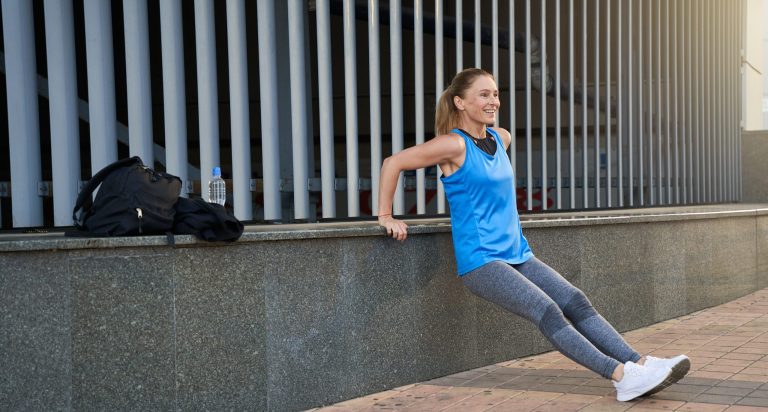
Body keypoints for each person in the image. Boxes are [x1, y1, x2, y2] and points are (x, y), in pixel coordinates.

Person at [376, 68, 690, 402]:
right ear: (460, 102)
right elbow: (393, 163)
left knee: (576, 301)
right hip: (483, 261)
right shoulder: (452, 145)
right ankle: (622, 376)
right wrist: (386, 216)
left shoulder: (501, 138)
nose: (493, 101)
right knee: (548, 311)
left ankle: (640, 363)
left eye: (495, 94)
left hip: (517, 252)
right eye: (483, 95)